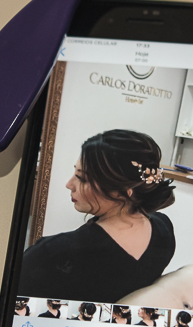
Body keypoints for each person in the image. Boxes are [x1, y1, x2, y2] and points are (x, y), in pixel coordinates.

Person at [19, 130, 176, 305]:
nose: (69, 184)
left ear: (122, 192)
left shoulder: (54, 254)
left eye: (82, 178)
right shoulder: (164, 229)